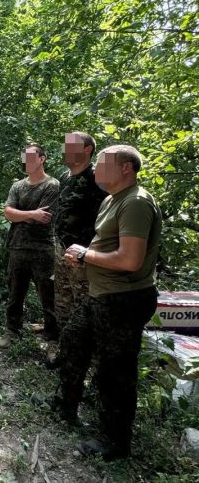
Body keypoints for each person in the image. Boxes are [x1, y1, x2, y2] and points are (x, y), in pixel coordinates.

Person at [55, 145, 162, 460]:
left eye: (103, 163)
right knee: (73, 339)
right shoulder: (111, 200)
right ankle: (66, 404)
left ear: (126, 168)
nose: (97, 169)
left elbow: (130, 260)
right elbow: (107, 249)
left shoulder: (136, 203)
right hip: (101, 294)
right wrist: (85, 259)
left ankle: (115, 441)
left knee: (116, 370)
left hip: (124, 299)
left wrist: (86, 254)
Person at [0, 145, 60, 349]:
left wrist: (21, 215)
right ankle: (11, 331)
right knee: (15, 294)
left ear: (42, 158)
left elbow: (44, 217)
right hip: (18, 247)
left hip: (43, 249)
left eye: (31, 157)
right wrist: (32, 213)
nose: (26, 161)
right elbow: (7, 213)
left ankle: (52, 339)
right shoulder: (17, 186)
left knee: (48, 297)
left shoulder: (52, 185)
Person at [53, 132, 107, 332]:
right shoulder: (64, 177)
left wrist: (92, 251)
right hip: (62, 251)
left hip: (86, 255)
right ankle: (64, 351)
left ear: (87, 149)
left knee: (84, 306)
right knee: (62, 302)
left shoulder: (99, 179)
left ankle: (85, 358)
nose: (65, 149)